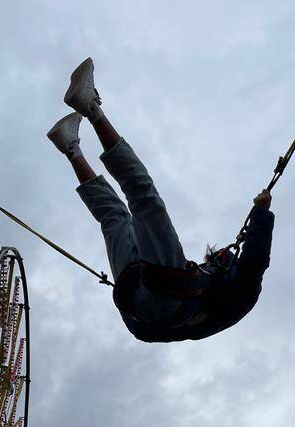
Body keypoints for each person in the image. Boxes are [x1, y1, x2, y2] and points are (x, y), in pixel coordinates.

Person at [47, 58, 275, 343]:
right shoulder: (217, 301)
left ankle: (90, 107)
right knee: (114, 216)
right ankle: (70, 148)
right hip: (136, 302)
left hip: (161, 301)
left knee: (144, 196)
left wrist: (262, 213)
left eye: (217, 258)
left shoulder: (243, 289)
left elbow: (255, 259)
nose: (212, 259)